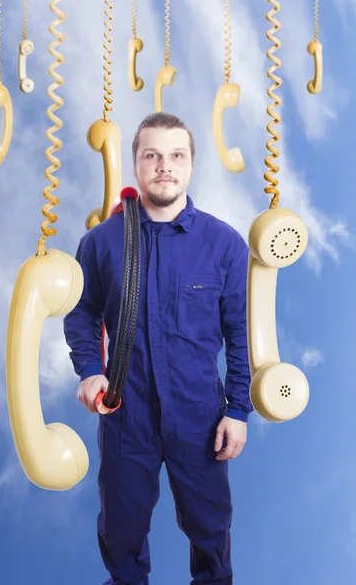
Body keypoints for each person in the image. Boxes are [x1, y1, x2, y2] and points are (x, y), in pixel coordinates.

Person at [63, 112, 254, 585]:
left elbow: (239, 331)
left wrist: (239, 409)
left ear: (190, 166)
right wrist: (89, 369)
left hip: (201, 418)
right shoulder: (101, 242)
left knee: (211, 529)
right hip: (126, 418)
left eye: (176, 156)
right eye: (152, 155)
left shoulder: (224, 244)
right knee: (122, 534)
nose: (164, 165)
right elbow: (81, 313)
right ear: (136, 166)